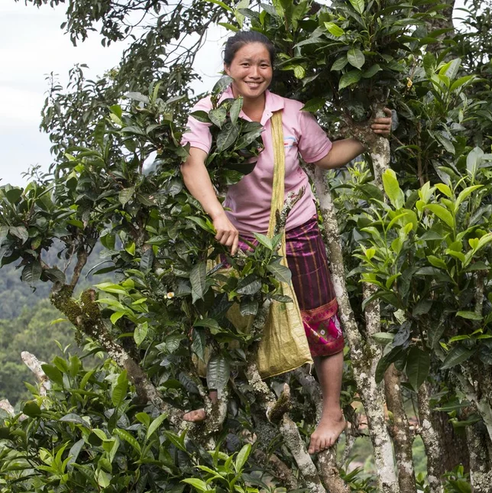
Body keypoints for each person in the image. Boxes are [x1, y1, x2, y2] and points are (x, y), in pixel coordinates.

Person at [180, 30, 392, 454]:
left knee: (320, 316)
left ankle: (331, 409)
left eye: (263, 64)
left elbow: (325, 155)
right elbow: (192, 165)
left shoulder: (292, 114)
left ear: (272, 70)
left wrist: (370, 133)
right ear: (227, 69)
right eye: (245, 64)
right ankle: (214, 399)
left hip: (296, 229)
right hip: (238, 234)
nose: (255, 73)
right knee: (222, 320)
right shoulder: (210, 114)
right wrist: (218, 215)